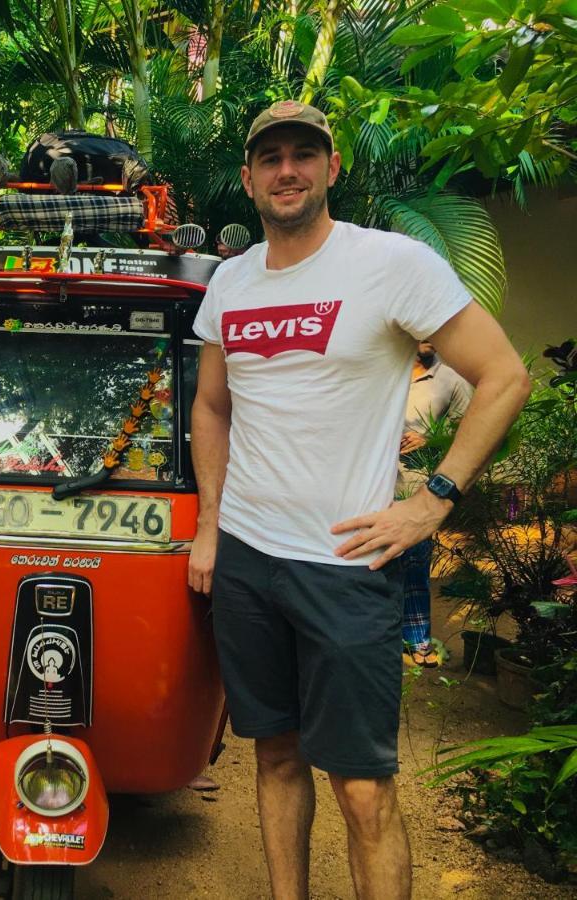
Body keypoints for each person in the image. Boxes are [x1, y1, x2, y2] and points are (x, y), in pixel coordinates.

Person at [187, 100, 529, 899]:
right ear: (248, 178)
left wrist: (434, 499)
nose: (287, 171)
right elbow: (211, 406)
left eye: (304, 154)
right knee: (273, 756)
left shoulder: (392, 264)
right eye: (270, 157)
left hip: (344, 565)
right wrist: (209, 524)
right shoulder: (228, 285)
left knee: (363, 788)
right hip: (246, 561)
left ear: (332, 168)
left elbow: (503, 375)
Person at [399, 341, 474, 667]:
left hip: (416, 483)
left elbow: (468, 431)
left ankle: (418, 639)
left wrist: (430, 438)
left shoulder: (452, 379)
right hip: (369, 478)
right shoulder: (387, 370)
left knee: (414, 563)